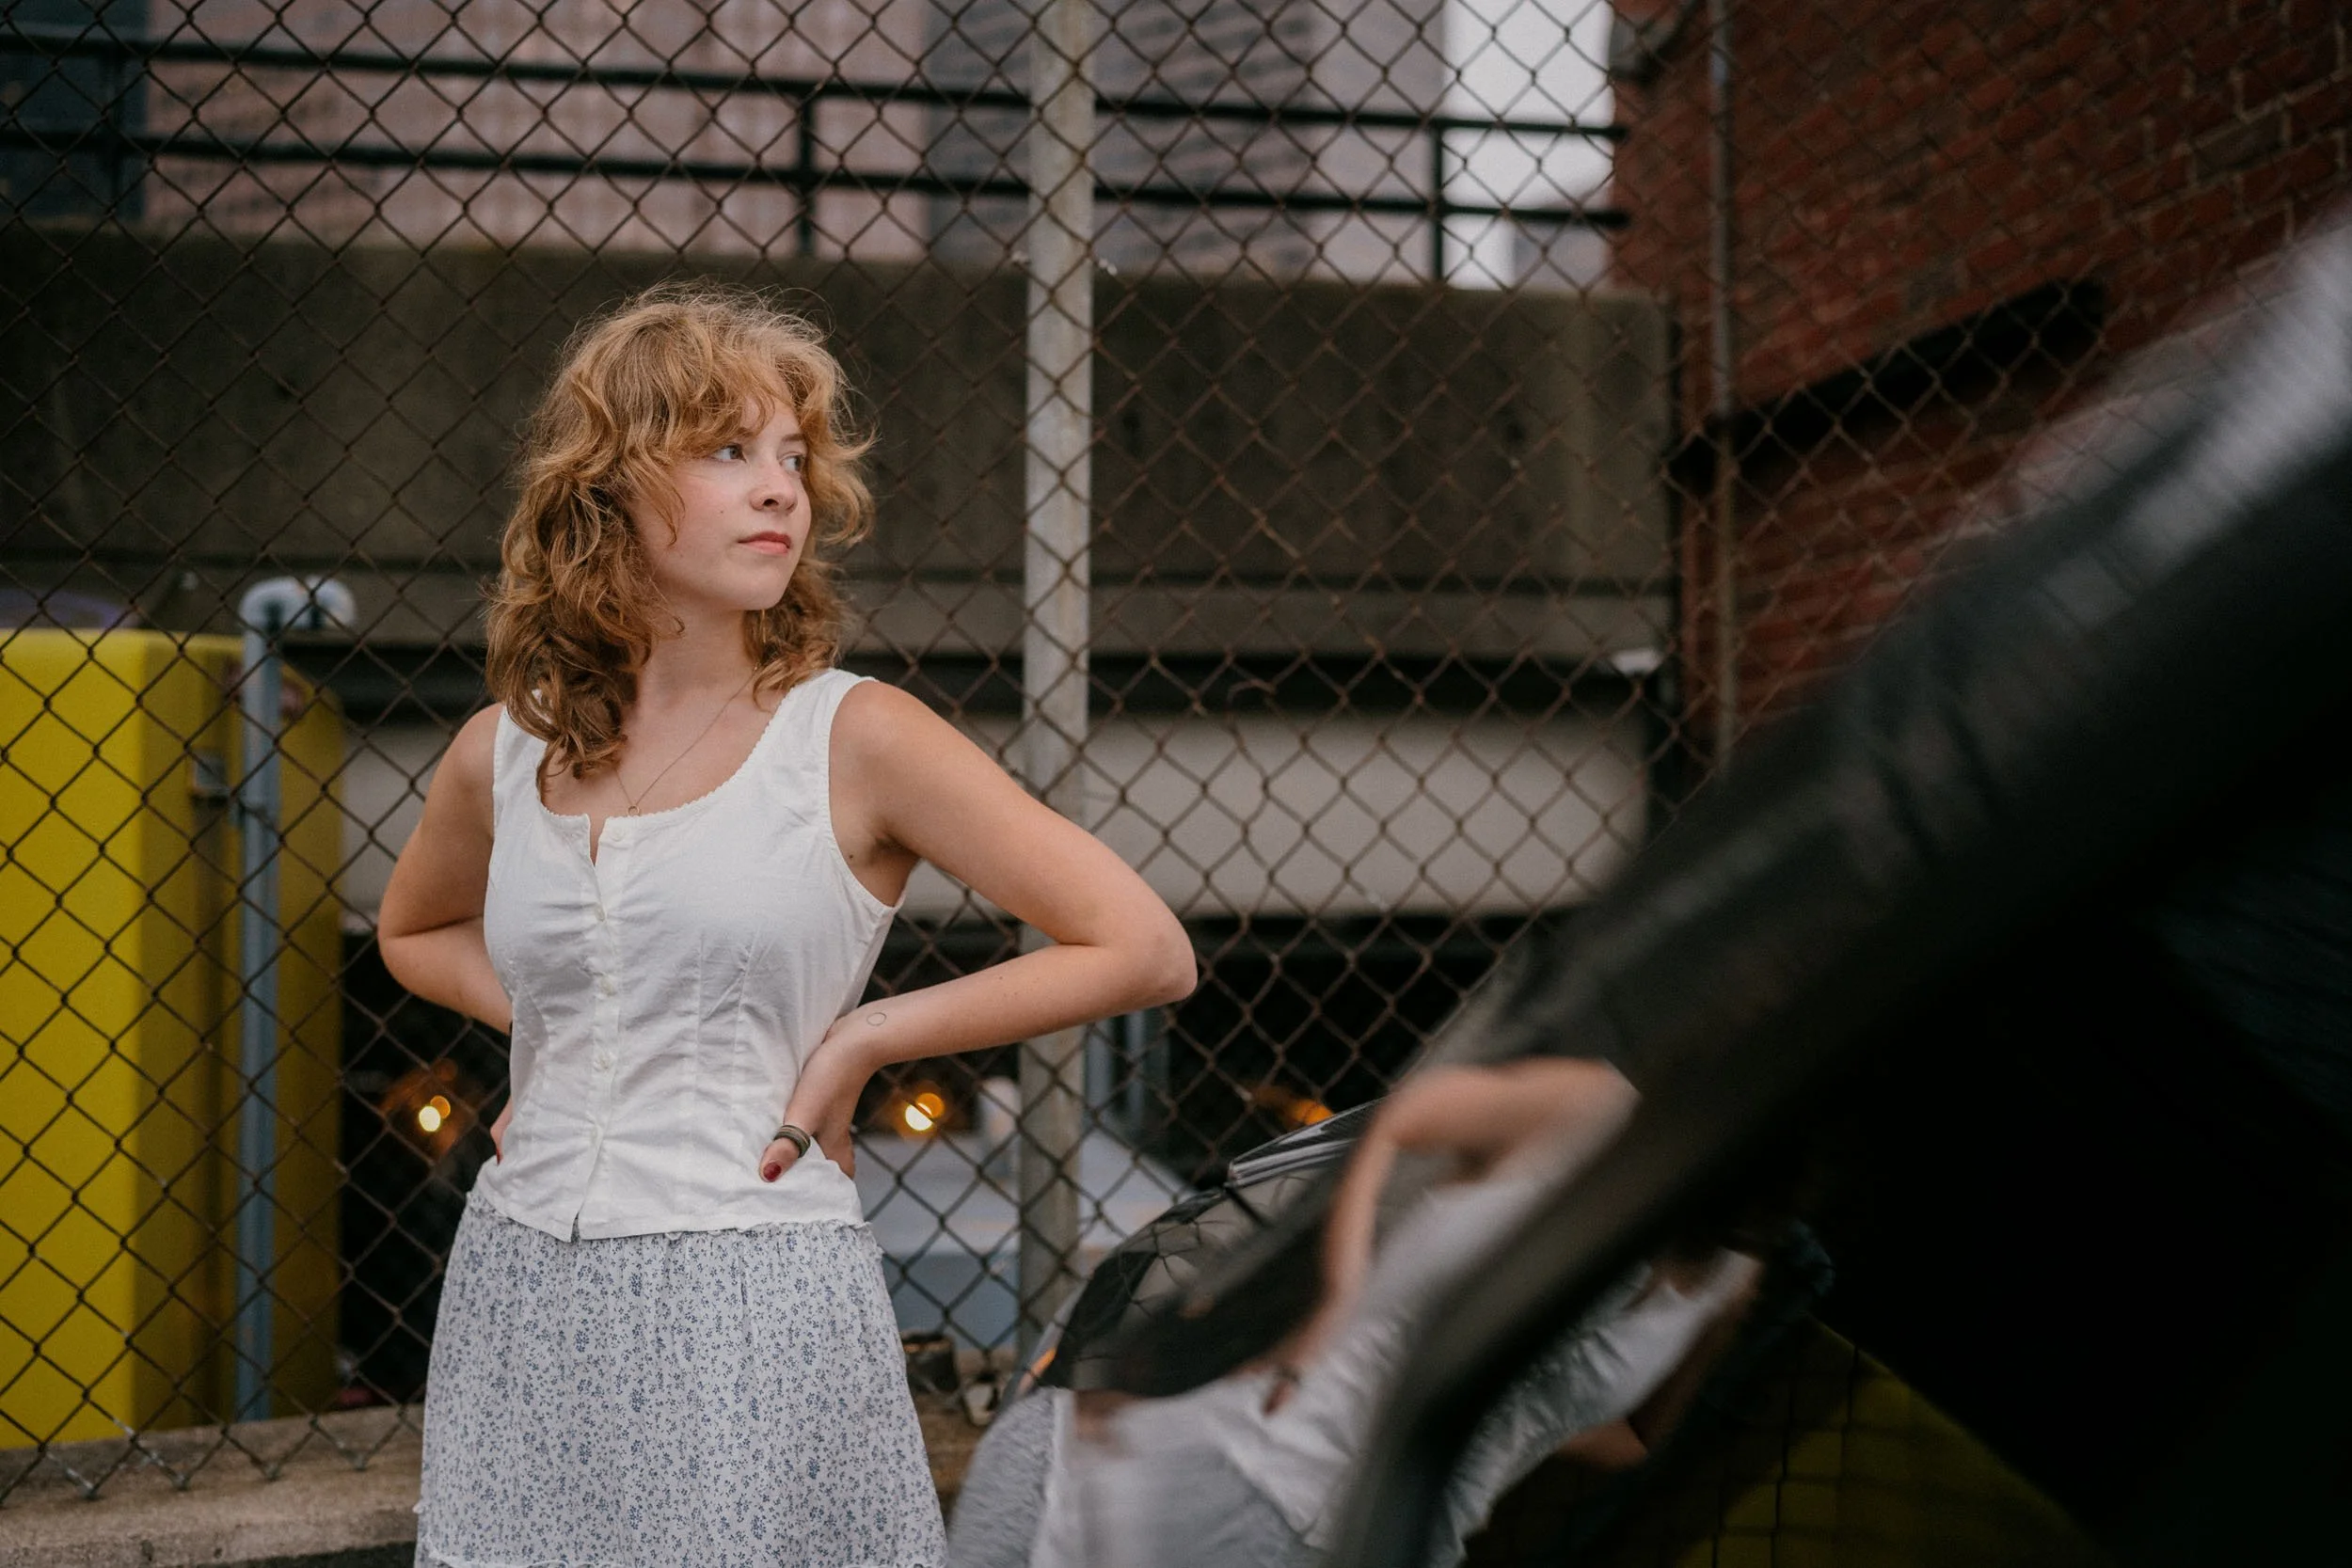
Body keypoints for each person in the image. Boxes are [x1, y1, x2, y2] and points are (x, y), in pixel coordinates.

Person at [377, 283, 1196, 1568]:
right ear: (606, 485)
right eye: (726, 450)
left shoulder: (856, 736)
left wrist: (863, 1038)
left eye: (793, 456)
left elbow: (1144, 945)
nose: (779, 489)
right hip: (521, 1285)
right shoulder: (505, 746)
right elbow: (413, 930)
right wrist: (573, 1029)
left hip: (751, 1293)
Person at [948, 1056, 1762, 1568]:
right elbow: (1410, 1116)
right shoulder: (1599, 1112)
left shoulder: (1732, 1272)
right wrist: (1338, 1296)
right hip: (1203, 1449)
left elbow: (1625, 1435)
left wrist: (1483, 1417)